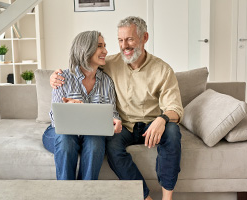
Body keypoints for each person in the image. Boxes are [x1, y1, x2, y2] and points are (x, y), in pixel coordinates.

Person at [50, 17, 183, 200]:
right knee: (106, 145)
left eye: (129, 39)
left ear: (144, 37)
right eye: (120, 40)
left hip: (152, 124)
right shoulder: (107, 64)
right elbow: (84, 65)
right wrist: (54, 78)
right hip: (126, 127)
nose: (123, 46)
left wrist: (162, 119)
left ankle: (167, 198)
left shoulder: (162, 70)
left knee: (173, 132)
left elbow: (175, 107)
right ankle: (145, 197)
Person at [42, 30, 122, 181]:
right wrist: (69, 109)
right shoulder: (63, 78)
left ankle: (86, 193)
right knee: (66, 139)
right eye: (100, 46)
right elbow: (55, 119)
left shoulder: (106, 81)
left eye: (104, 46)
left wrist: (116, 121)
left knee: (96, 142)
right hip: (60, 133)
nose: (105, 50)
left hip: (91, 134)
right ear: (86, 49)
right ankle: (66, 194)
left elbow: (112, 113)